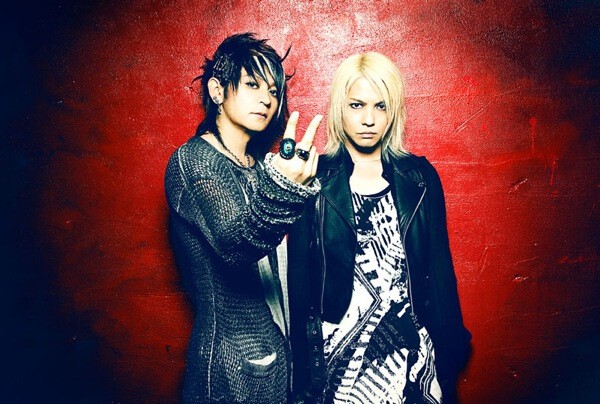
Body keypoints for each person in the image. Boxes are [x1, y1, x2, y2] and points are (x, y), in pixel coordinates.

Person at [288, 52, 471, 403]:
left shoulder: (419, 177)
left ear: (394, 111)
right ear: (340, 108)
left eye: (381, 106)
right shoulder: (314, 177)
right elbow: (299, 282)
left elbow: (439, 270)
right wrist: (303, 375)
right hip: (337, 361)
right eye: (356, 105)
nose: (369, 119)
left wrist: (449, 352)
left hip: (410, 356)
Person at [164, 32, 322, 403]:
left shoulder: (260, 166)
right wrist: (285, 189)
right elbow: (236, 245)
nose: (266, 99)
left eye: (273, 91)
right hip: (230, 365)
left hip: (278, 357)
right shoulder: (194, 161)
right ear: (217, 91)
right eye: (252, 85)